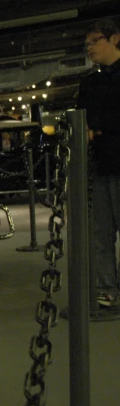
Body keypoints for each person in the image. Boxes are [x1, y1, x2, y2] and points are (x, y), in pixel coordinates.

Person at [77, 18, 120, 307]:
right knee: (100, 235)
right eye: (87, 44)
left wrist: (100, 127)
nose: (90, 48)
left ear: (115, 38)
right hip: (99, 166)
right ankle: (107, 290)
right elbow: (82, 121)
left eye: (95, 41)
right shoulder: (89, 83)